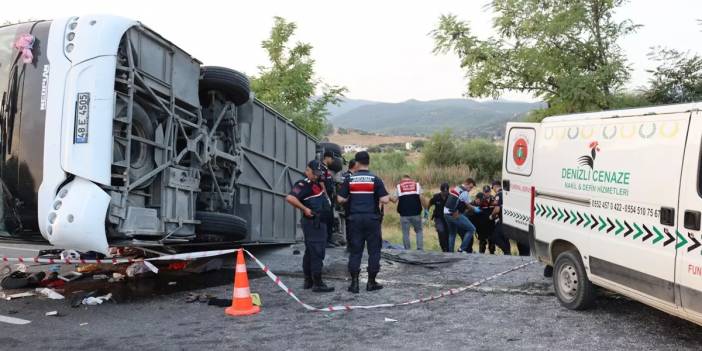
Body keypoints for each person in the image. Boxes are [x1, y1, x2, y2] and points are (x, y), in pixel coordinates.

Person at [337, 151, 390, 293]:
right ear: (368, 162)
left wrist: (351, 199)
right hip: (372, 219)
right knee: (374, 251)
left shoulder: (350, 179)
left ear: (357, 163)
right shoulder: (375, 179)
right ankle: (371, 282)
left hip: (354, 219)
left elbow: (340, 199)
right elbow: (385, 199)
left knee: (355, 252)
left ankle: (354, 283)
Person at [286, 160, 335, 293]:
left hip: (319, 223)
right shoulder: (303, 184)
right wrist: (304, 209)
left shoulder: (316, 184)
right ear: (307, 170)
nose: (317, 176)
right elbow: (290, 198)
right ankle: (317, 283)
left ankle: (308, 281)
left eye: (318, 174)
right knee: (318, 252)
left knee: (310, 252)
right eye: (314, 173)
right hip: (313, 223)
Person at [443, 178, 479, 253]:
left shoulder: (456, 188)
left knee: (452, 234)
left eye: (471, 188)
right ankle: (461, 249)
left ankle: (450, 253)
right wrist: (476, 209)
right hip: (453, 214)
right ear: (466, 183)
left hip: (446, 213)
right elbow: (468, 205)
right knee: (472, 229)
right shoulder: (465, 193)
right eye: (470, 187)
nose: (470, 189)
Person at [390, 175, 425, 250]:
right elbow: (422, 198)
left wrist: (388, 196)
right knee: (419, 231)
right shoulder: (417, 185)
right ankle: (420, 250)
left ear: (402, 180)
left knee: (405, 234)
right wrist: (426, 208)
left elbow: (394, 200)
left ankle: (407, 251)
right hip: (416, 213)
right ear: (410, 179)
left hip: (404, 215)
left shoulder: (399, 187)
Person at [321, 151, 338, 248]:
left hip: (329, 198)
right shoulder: (322, 168)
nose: (332, 161)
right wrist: (326, 196)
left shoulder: (326, 169)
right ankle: (325, 241)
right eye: (331, 159)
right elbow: (322, 183)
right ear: (327, 158)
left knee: (330, 219)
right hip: (325, 198)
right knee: (326, 219)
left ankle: (329, 239)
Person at [490, 180, 511, 255]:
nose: (493, 190)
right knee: (505, 237)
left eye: (492, 188)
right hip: (508, 219)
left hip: (502, 219)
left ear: (495, 186)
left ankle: (507, 252)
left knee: (494, 236)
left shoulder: (498, 195)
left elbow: (497, 209)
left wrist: (491, 216)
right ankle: (508, 252)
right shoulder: (507, 193)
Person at [473, 186, 497, 254]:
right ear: (483, 192)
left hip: (491, 224)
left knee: (492, 242)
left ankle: (492, 254)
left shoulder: (494, 199)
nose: (487, 193)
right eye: (485, 192)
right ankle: (481, 255)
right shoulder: (480, 199)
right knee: (482, 243)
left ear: (490, 191)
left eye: (488, 192)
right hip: (482, 224)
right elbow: (472, 206)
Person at [427, 183, 450, 252]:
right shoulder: (436, 197)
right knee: (441, 231)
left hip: (448, 218)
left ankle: (448, 249)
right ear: (441, 190)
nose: (445, 193)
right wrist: (426, 212)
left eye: (446, 191)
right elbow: (430, 203)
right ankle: (444, 248)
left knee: (447, 233)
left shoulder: (451, 197)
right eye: (444, 192)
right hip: (438, 218)